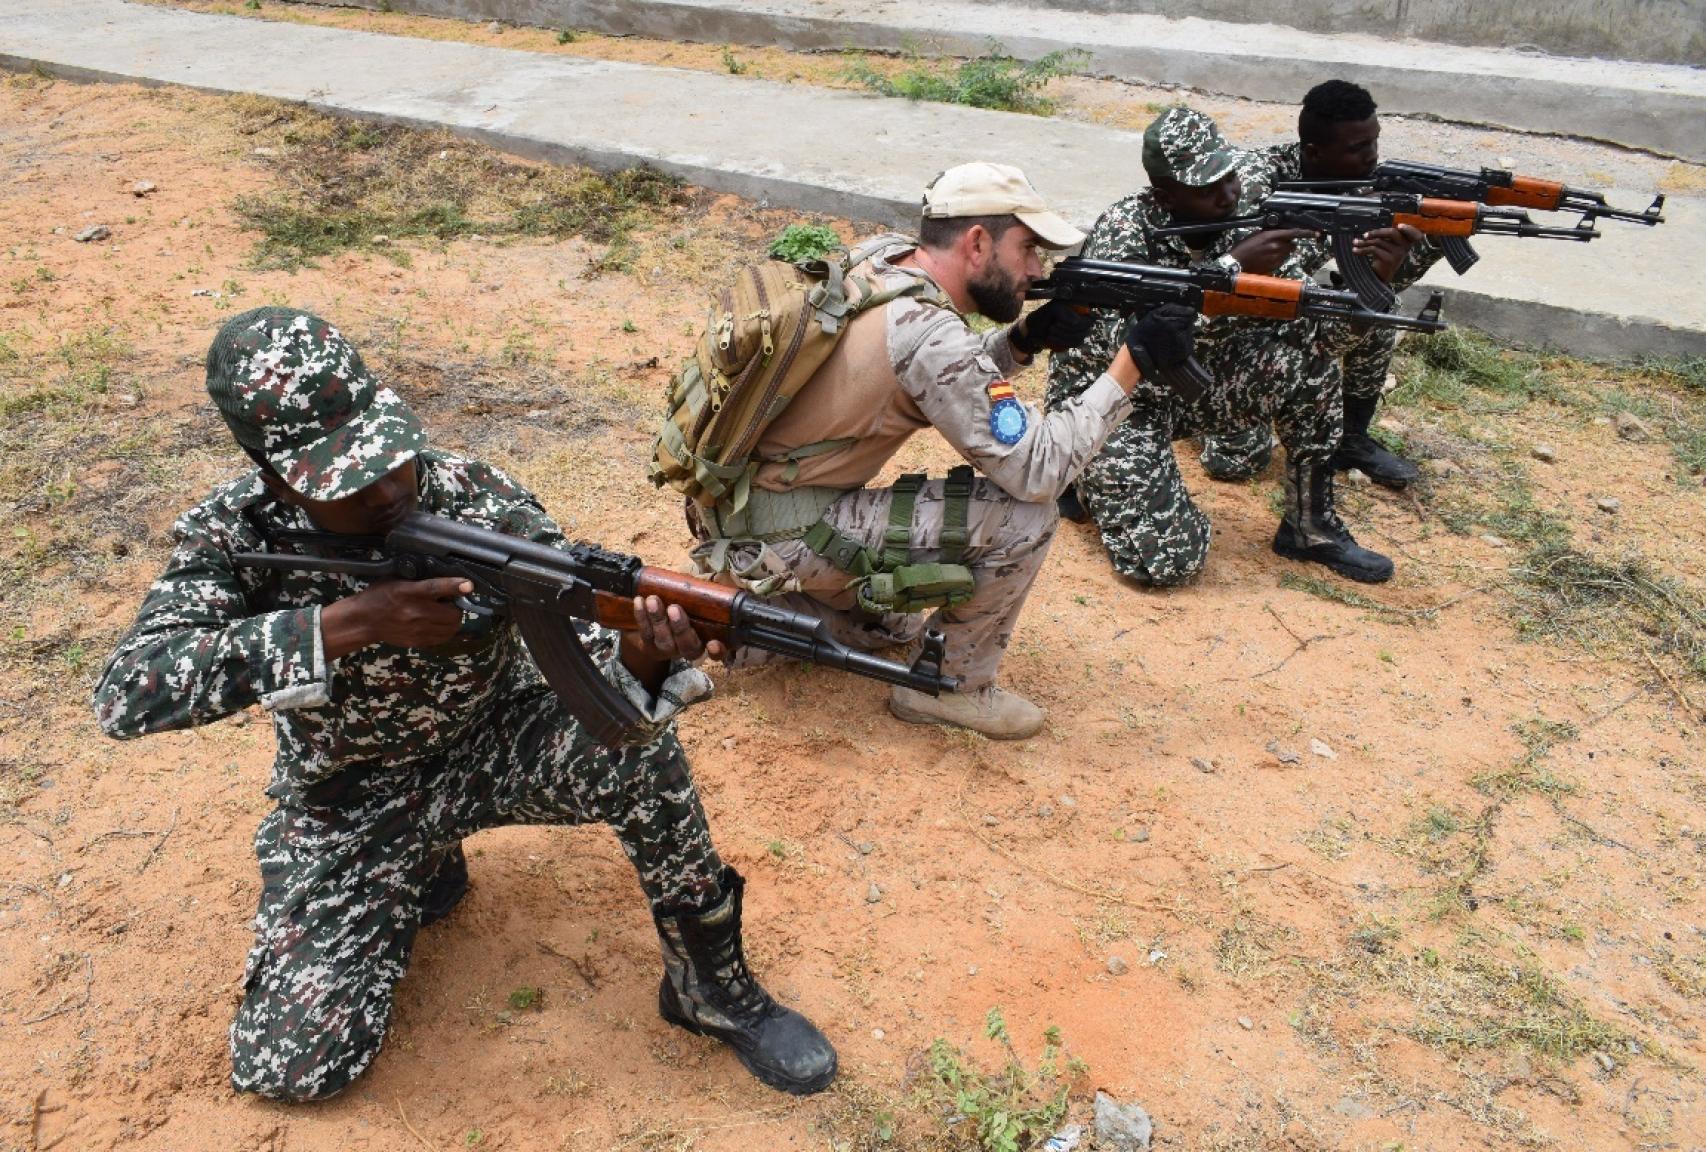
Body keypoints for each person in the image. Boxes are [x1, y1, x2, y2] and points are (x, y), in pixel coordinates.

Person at [90, 308, 837, 1101]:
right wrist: (350, 623)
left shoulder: (478, 502)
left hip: (494, 748)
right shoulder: (231, 534)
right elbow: (129, 692)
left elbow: (591, 678)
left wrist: (645, 652)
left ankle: (708, 987)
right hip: (353, 796)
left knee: (643, 754)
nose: (388, 489)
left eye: (388, 453)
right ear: (274, 476)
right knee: (293, 1067)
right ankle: (421, 864)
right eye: (348, 480)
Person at [682, 163, 1195, 740]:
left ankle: (762, 622)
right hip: (788, 534)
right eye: (1027, 249)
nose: (1037, 270)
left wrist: (1022, 340)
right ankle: (951, 686)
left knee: (894, 621)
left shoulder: (882, 260)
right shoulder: (927, 332)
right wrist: (1130, 365)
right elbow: (1039, 470)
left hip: (741, 507)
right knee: (1026, 517)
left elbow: (936, 376)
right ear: (977, 243)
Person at [1045, 105, 1409, 587]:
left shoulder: (1247, 223)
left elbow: (1322, 340)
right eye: (1207, 188)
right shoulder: (1126, 230)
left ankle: (1310, 527)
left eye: (1231, 177)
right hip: (1110, 400)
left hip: (1190, 384)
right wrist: (1231, 270)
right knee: (1170, 564)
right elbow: (1132, 344)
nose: (1229, 195)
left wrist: (1375, 281)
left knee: (1309, 369)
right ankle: (1075, 468)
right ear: (1165, 195)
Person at [1198, 79, 1441, 488]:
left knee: (1380, 306)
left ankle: (1351, 437)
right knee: (1237, 462)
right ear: (1314, 152)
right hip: (1221, 329)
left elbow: (1374, 282)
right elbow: (1322, 332)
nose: (1372, 156)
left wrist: (1429, 239)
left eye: (1374, 141)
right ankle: (1203, 411)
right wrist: (1367, 289)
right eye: (1358, 148)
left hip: (1284, 310)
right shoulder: (1257, 187)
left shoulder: (1355, 180)